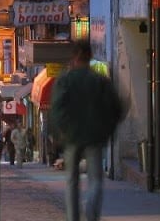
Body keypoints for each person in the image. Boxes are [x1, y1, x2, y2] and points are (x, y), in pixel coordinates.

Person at [50, 40, 123, 221]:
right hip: (95, 136)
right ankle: (91, 214)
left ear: (74, 57)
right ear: (90, 56)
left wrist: (60, 131)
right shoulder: (100, 81)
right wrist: (107, 130)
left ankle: (73, 217)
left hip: (72, 136)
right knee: (96, 180)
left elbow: (57, 108)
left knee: (72, 180)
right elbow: (116, 108)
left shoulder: (65, 80)